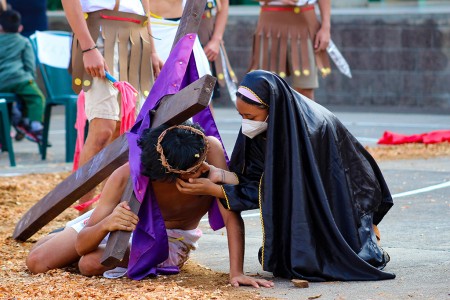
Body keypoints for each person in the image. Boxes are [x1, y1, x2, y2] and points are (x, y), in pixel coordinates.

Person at [176, 70, 396, 281]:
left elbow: (281, 189)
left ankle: (364, 236)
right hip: (311, 190)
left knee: (315, 263)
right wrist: (222, 175)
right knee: (291, 260)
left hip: (340, 193)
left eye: (250, 116)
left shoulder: (305, 133)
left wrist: (215, 189)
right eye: (241, 115)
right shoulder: (260, 126)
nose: (246, 123)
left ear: (272, 107)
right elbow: (260, 179)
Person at [26, 122, 273, 288]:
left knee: (88, 263)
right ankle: (64, 238)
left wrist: (236, 272)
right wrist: (107, 224)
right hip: (120, 221)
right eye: (194, 171)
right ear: (167, 174)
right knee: (37, 260)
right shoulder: (127, 174)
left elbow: (231, 216)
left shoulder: (210, 150)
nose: (203, 170)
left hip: (169, 238)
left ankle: (73, 245)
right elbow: (83, 242)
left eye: (201, 165)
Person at [61, 0, 164, 213]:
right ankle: (83, 216)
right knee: (102, 130)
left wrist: (153, 50)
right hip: (98, 35)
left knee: (124, 134)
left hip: (136, 39)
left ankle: (108, 213)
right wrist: (88, 47)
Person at [248, 0, 331, 100]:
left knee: (305, 89)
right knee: (269, 88)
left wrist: (326, 27)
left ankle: (304, 116)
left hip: (305, 21)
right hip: (270, 24)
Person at [0, 9, 46, 144]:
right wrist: (30, 79)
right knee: (36, 97)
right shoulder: (23, 42)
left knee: (5, 105)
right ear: (20, 28)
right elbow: (29, 65)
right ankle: (33, 124)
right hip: (19, 79)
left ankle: (10, 128)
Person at [198, 0, 238, 105]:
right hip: (174, 29)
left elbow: (224, 3)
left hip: (205, 33)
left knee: (204, 99)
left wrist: (216, 39)